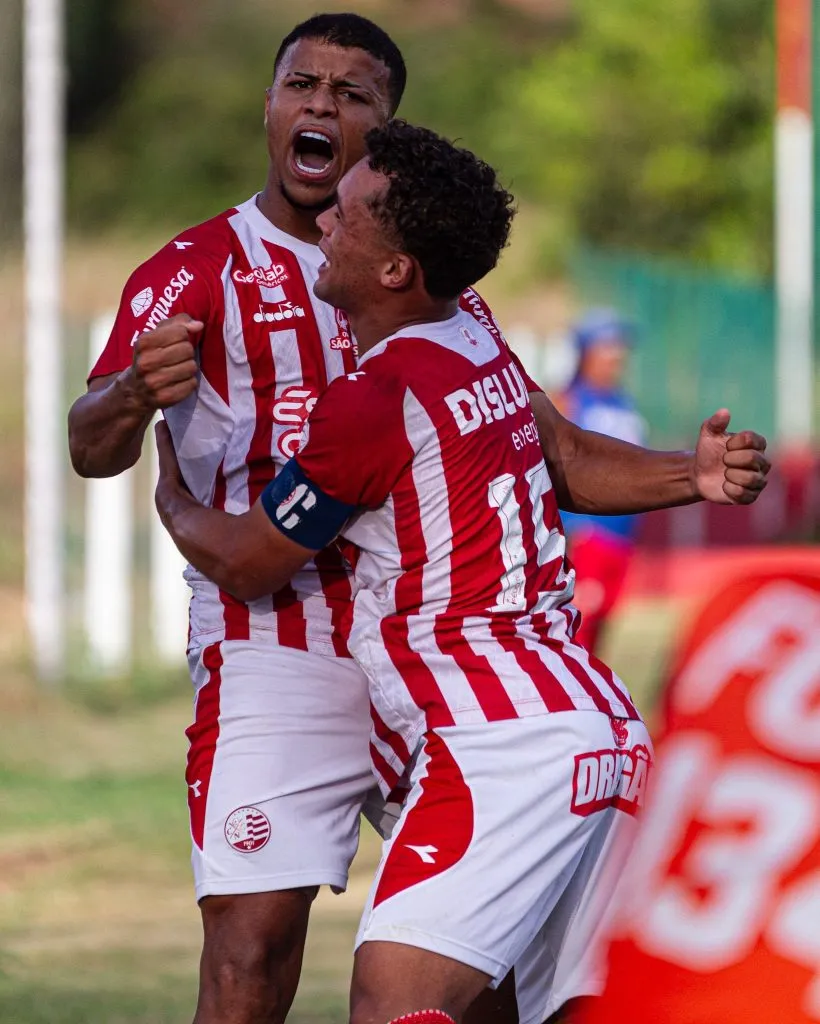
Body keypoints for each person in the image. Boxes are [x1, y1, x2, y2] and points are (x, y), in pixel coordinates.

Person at [67, 14, 770, 1024]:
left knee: (464, 973)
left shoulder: (437, 290)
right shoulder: (193, 271)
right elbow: (92, 444)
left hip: (431, 673)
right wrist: (134, 393)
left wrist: (684, 471)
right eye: (300, 82)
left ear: (386, 127)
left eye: (352, 94)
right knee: (254, 947)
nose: (321, 104)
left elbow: (555, 449)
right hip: (285, 651)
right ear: (268, 105)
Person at [559, 310, 646, 653]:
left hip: (621, 538)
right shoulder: (567, 401)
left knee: (603, 630)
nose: (616, 356)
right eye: (607, 346)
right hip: (586, 535)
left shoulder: (625, 403)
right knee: (579, 624)